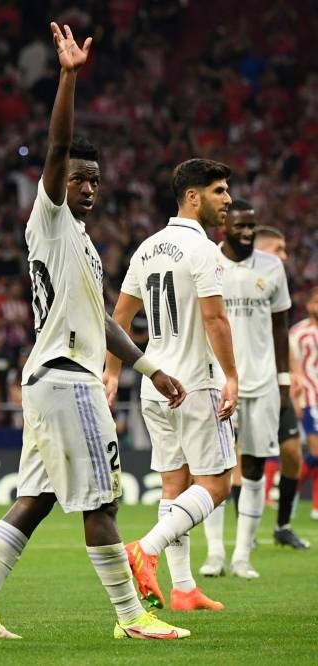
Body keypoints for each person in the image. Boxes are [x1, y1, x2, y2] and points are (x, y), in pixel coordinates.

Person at [0, 24, 189, 641]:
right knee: (101, 505)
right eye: (80, 177)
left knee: (36, 500)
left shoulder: (80, 244)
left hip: (53, 376)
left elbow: (102, 320)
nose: (88, 187)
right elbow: (55, 149)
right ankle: (131, 618)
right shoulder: (52, 219)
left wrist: (149, 368)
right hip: (67, 380)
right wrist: (68, 77)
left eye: (96, 180)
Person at [105, 158, 238, 609]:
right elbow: (214, 318)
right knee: (218, 485)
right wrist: (233, 376)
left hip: (153, 386)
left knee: (174, 486)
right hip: (195, 385)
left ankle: (183, 588)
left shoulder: (147, 248)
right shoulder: (205, 251)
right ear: (193, 196)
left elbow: (118, 319)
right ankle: (146, 549)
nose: (229, 199)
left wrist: (112, 371)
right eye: (220, 191)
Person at [198, 204, 308, 580]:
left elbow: (280, 327)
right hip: (215, 380)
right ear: (224, 227)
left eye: (250, 226)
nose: (246, 232)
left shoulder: (271, 267)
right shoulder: (208, 260)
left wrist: (282, 380)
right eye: (239, 226)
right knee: (214, 467)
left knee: (256, 465)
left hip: (261, 381)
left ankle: (243, 554)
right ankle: (214, 553)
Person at [250, 225, 310, 548]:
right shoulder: (234, 278)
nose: (285, 256)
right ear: (260, 249)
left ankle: (282, 526)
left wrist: (292, 377)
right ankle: (247, 534)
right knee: (244, 460)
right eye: (279, 248)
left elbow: (281, 331)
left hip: (274, 383)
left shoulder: (275, 281)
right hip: (243, 381)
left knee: (291, 454)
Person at [290, 287, 318, 521]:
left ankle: (316, 505)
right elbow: (293, 369)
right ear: (309, 305)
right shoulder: (298, 333)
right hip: (310, 398)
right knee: (316, 451)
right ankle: (294, 489)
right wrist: (295, 397)